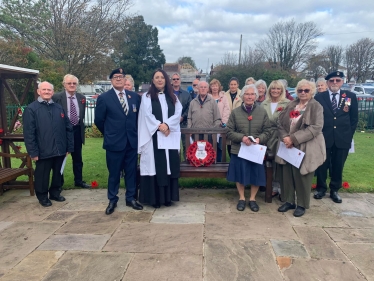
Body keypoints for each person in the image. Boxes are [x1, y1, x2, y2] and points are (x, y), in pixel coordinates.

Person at [95, 68, 143, 214]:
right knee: (114, 173)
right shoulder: (104, 98)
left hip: (131, 142)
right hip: (114, 143)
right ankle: (112, 199)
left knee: (131, 172)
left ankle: (130, 198)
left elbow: (138, 118)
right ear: (111, 80)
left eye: (121, 77)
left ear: (124, 79)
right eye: (115, 77)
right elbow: (99, 120)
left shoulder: (134, 97)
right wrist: (110, 133)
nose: (118, 79)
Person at [276, 79, 326, 217]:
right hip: (288, 145)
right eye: (300, 90)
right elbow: (280, 123)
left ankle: (302, 204)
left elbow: (316, 127)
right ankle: (289, 201)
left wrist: (293, 139)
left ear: (312, 91)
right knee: (287, 174)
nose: (303, 93)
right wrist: (286, 138)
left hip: (306, 145)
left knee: (303, 175)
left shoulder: (316, 106)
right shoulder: (291, 104)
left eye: (306, 90)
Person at [23, 81, 74, 207]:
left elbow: (68, 128)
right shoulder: (31, 109)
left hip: (60, 149)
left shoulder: (58, 108)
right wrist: (33, 152)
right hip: (43, 150)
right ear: (38, 91)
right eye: (44, 90)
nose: (46, 92)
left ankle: (55, 193)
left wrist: (69, 147)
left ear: (52, 92)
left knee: (58, 173)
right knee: (42, 176)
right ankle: (42, 196)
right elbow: (29, 133)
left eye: (49, 90)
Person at [138, 69, 182, 208]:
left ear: (166, 80)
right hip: (154, 137)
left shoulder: (173, 97)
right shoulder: (146, 97)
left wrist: (168, 125)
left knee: (168, 165)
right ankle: (155, 199)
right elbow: (147, 115)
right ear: (152, 80)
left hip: (168, 137)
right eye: (156, 77)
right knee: (155, 166)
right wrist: (159, 126)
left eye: (162, 77)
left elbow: (178, 112)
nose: (159, 80)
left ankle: (167, 198)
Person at [314, 71, 358, 203]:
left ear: (342, 82)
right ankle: (321, 188)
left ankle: (334, 190)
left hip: (342, 137)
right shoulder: (320, 97)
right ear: (327, 83)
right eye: (332, 80)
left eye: (337, 80)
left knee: (338, 165)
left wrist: (348, 135)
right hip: (324, 137)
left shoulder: (349, 96)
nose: (334, 83)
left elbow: (354, 119)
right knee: (322, 164)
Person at [226, 85, 271, 212]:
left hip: (255, 149)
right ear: (242, 96)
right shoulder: (235, 113)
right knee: (240, 173)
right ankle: (241, 198)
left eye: (252, 94)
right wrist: (242, 138)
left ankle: (252, 199)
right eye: (247, 94)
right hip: (239, 149)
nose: (249, 96)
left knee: (255, 174)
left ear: (256, 97)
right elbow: (229, 131)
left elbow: (268, 131)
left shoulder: (262, 112)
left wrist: (259, 139)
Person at [53, 74, 90, 189]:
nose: (72, 85)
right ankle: (59, 182)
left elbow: (81, 116)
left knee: (78, 158)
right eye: (69, 83)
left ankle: (78, 180)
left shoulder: (81, 98)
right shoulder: (56, 98)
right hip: (63, 132)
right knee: (60, 158)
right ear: (64, 84)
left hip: (77, 130)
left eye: (74, 83)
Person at [261, 80, 290, 197]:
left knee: (280, 162)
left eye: (278, 89)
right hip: (267, 135)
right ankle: (269, 185)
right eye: (273, 88)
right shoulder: (264, 103)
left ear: (282, 90)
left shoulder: (287, 103)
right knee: (268, 161)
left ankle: (280, 187)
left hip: (280, 136)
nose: (275, 91)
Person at [171, 73, 191, 159]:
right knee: (173, 146)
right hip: (171, 124)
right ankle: (175, 164)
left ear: (180, 81)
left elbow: (189, 107)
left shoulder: (186, 94)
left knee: (186, 145)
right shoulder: (167, 93)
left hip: (183, 123)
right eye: (174, 79)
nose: (176, 80)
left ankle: (187, 163)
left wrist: (183, 117)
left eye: (177, 79)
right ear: (171, 81)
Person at [209, 79, 230, 162]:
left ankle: (219, 162)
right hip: (210, 126)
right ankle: (210, 162)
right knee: (210, 145)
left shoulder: (224, 97)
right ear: (210, 87)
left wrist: (223, 122)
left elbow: (227, 110)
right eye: (213, 86)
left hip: (221, 126)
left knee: (220, 146)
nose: (214, 88)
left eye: (216, 86)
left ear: (219, 87)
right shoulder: (208, 97)